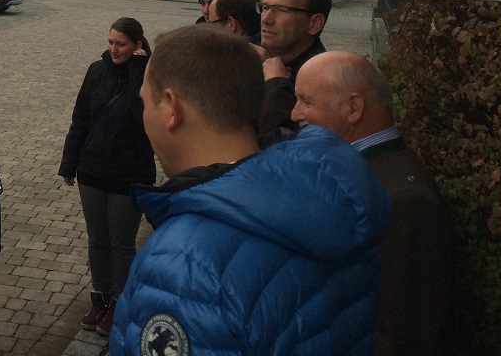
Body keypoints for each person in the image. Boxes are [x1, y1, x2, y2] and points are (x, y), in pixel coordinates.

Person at [110, 25, 391, 355]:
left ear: (172, 107)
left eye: (146, 102)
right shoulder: (332, 204)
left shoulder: (184, 264)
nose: (145, 115)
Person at [292, 51, 455, 356]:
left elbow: (401, 333)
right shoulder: (367, 171)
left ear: (354, 108)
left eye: (306, 101)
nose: (294, 114)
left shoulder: (405, 202)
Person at [59, 18, 156, 338]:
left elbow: (141, 118)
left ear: (137, 46)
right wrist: (69, 163)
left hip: (129, 173)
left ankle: (120, 301)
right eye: (111, 42)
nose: (114, 49)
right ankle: (99, 297)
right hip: (92, 170)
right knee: (97, 240)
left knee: (121, 243)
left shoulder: (150, 77)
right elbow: (80, 118)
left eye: (121, 44)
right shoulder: (96, 71)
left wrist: (139, 70)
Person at [255, 0, 331, 134]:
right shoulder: (259, 61)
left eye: (282, 10)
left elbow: (289, 143)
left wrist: (277, 84)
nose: (266, 19)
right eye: (265, 7)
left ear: (314, 23)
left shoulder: (322, 85)